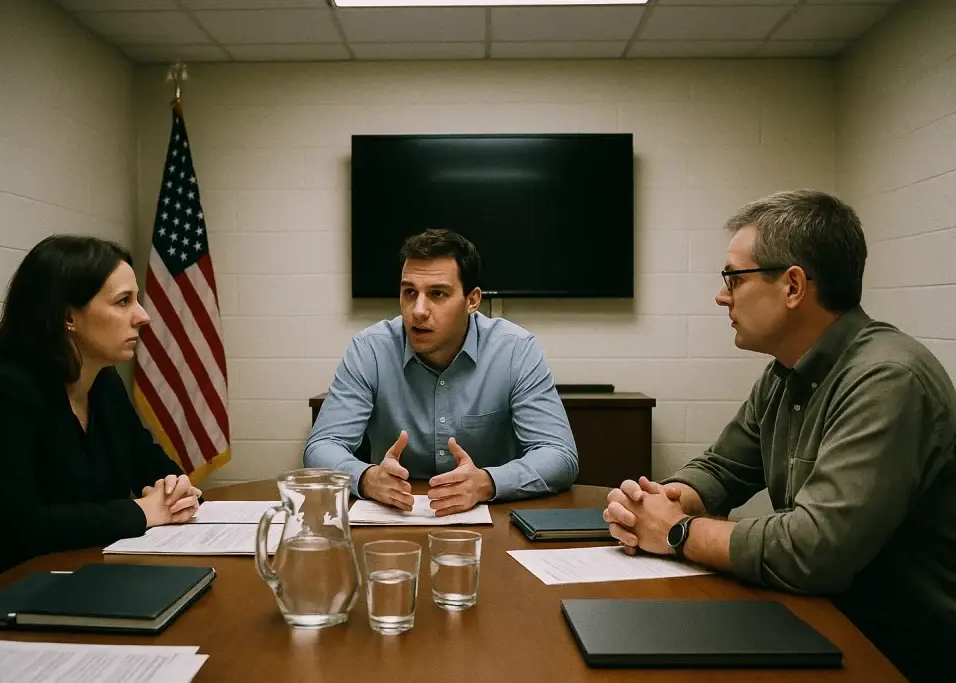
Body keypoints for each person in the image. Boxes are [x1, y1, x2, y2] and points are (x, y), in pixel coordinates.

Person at [603, 190, 956, 682]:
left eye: (734, 277)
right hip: (816, 620)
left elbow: (815, 552)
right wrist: (668, 498)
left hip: (889, 652)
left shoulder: (889, 379)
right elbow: (723, 467)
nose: (722, 294)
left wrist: (678, 531)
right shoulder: (784, 372)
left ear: (792, 286)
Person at [0, 235, 201, 612]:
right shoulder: (1, 392)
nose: (143, 315)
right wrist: (141, 511)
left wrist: (176, 489)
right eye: (124, 302)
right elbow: (18, 527)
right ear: (68, 316)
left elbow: (151, 465)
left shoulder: (103, 382)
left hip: (77, 580)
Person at [304, 229, 578, 514]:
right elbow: (322, 447)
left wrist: (487, 482)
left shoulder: (515, 350)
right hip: (393, 516)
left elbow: (559, 456)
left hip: (490, 517)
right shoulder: (370, 350)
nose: (418, 310)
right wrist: (367, 478)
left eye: (437, 294)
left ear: (472, 300)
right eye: (409, 292)